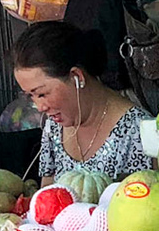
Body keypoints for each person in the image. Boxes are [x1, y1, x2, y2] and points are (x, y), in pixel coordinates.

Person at [12, 21, 151, 185]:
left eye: (41, 94)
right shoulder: (55, 126)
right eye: (31, 96)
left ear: (76, 77)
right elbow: (47, 193)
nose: (40, 107)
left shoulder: (137, 132)